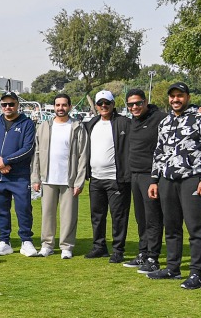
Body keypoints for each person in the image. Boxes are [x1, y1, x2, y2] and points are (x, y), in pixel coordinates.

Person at [148, 82, 201, 289]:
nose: (175, 100)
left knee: (195, 228)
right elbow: (159, 152)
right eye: (172, 96)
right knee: (171, 227)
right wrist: (154, 180)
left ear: (188, 97)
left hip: (192, 179)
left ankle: (196, 273)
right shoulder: (165, 122)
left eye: (180, 96)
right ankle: (173, 268)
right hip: (167, 180)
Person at [0, 91, 37, 257]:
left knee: (23, 209)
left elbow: (28, 148)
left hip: (19, 176)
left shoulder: (27, 123)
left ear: (17, 105)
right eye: (4, 104)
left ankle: (26, 240)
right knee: (1, 211)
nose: (7, 107)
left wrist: (6, 161)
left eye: (11, 104)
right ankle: (4, 241)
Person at [31, 94, 87, 259]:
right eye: (57, 105)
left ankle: (66, 247)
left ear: (69, 106)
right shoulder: (44, 126)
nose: (60, 108)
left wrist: (79, 181)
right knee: (47, 214)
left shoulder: (77, 127)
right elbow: (37, 154)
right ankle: (47, 245)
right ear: (54, 107)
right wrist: (35, 178)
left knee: (69, 216)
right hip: (48, 178)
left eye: (64, 105)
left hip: (69, 179)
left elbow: (83, 155)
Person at [83, 90, 131, 263]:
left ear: (113, 104)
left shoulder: (124, 123)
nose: (104, 106)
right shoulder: (91, 123)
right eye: (100, 103)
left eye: (107, 103)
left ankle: (118, 250)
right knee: (97, 215)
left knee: (118, 216)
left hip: (116, 179)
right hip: (96, 178)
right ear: (96, 106)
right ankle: (99, 247)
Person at [124, 88, 168, 273]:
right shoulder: (132, 121)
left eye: (138, 103)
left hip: (151, 176)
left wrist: (155, 179)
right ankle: (143, 253)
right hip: (135, 175)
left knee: (153, 218)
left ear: (146, 102)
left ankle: (153, 257)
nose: (134, 107)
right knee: (141, 218)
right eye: (131, 104)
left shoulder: (160, 118)